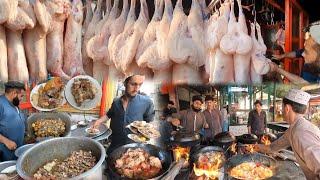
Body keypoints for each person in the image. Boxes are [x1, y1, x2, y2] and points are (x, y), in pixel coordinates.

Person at [255, 89, 320, 179]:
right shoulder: (294, 128)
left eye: (282, 107)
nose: (281, 110)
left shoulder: (301, 133)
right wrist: (253, 146)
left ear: (287, 108)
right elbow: (272, 147)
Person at [93, 75, 155, 154]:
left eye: (140, 84)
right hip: (115, 144)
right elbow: (109, 115)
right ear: (125, 83)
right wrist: (99, 121)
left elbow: (149, 123)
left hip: (134, 147)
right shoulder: (116, 102)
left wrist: (146, 135)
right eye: (133, 84)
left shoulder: (147, 102)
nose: (137, 89)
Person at [0, 81, 26, 161]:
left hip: (17, 150)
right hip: (5, 153)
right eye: (21, 96)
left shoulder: (14, 104)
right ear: (14, 93)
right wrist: (6, 141)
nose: (21, 99)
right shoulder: (1, 104)